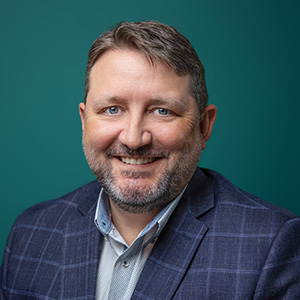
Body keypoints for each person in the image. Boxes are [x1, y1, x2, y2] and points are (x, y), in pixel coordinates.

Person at [1, 20, 299, 300]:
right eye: (112, 109)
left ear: (204, 126)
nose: (133, 138)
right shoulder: (31, 232)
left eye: (161, 111)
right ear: (84, 120)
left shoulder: (271, 247)